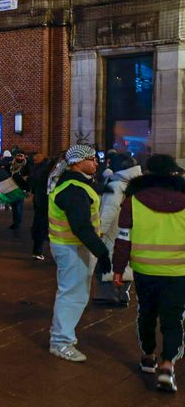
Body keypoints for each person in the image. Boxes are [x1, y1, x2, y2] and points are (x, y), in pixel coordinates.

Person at [113, 154, 185, 392]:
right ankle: (167, 366)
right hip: (178, 270)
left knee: (146, 313)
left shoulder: (133, 201)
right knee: (173, 318)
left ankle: (148, 356)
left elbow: (123, 238)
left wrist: (118, 269)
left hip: (145, 269)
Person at [46, 144, 109, 363]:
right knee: (73, 294)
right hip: (72, 246)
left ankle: (60, 335)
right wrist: (102, 252)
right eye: (92, 158)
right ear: (76, 163)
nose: (96, 162)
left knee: (72, 292)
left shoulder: (75, 184)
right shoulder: (74, 188)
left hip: (70, 245)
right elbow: (81, 226)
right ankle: (61, 342)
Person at [95, 154, 142, 303]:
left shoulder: (116, 185)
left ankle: (109, 295)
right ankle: (123, 294)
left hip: (114, 229)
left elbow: (109, 211)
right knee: (126, 261)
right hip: (129, 229)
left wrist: (99, 231)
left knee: (109, 259)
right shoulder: (137, 184)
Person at [29, 153, 54, 259]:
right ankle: (38, 250)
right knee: (43, 224)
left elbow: (33, 183)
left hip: (40, 200)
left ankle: (37, 250)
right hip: (46, 201)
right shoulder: (45, 170)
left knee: (40, 224)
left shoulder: (39, 170)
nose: (35, 160)